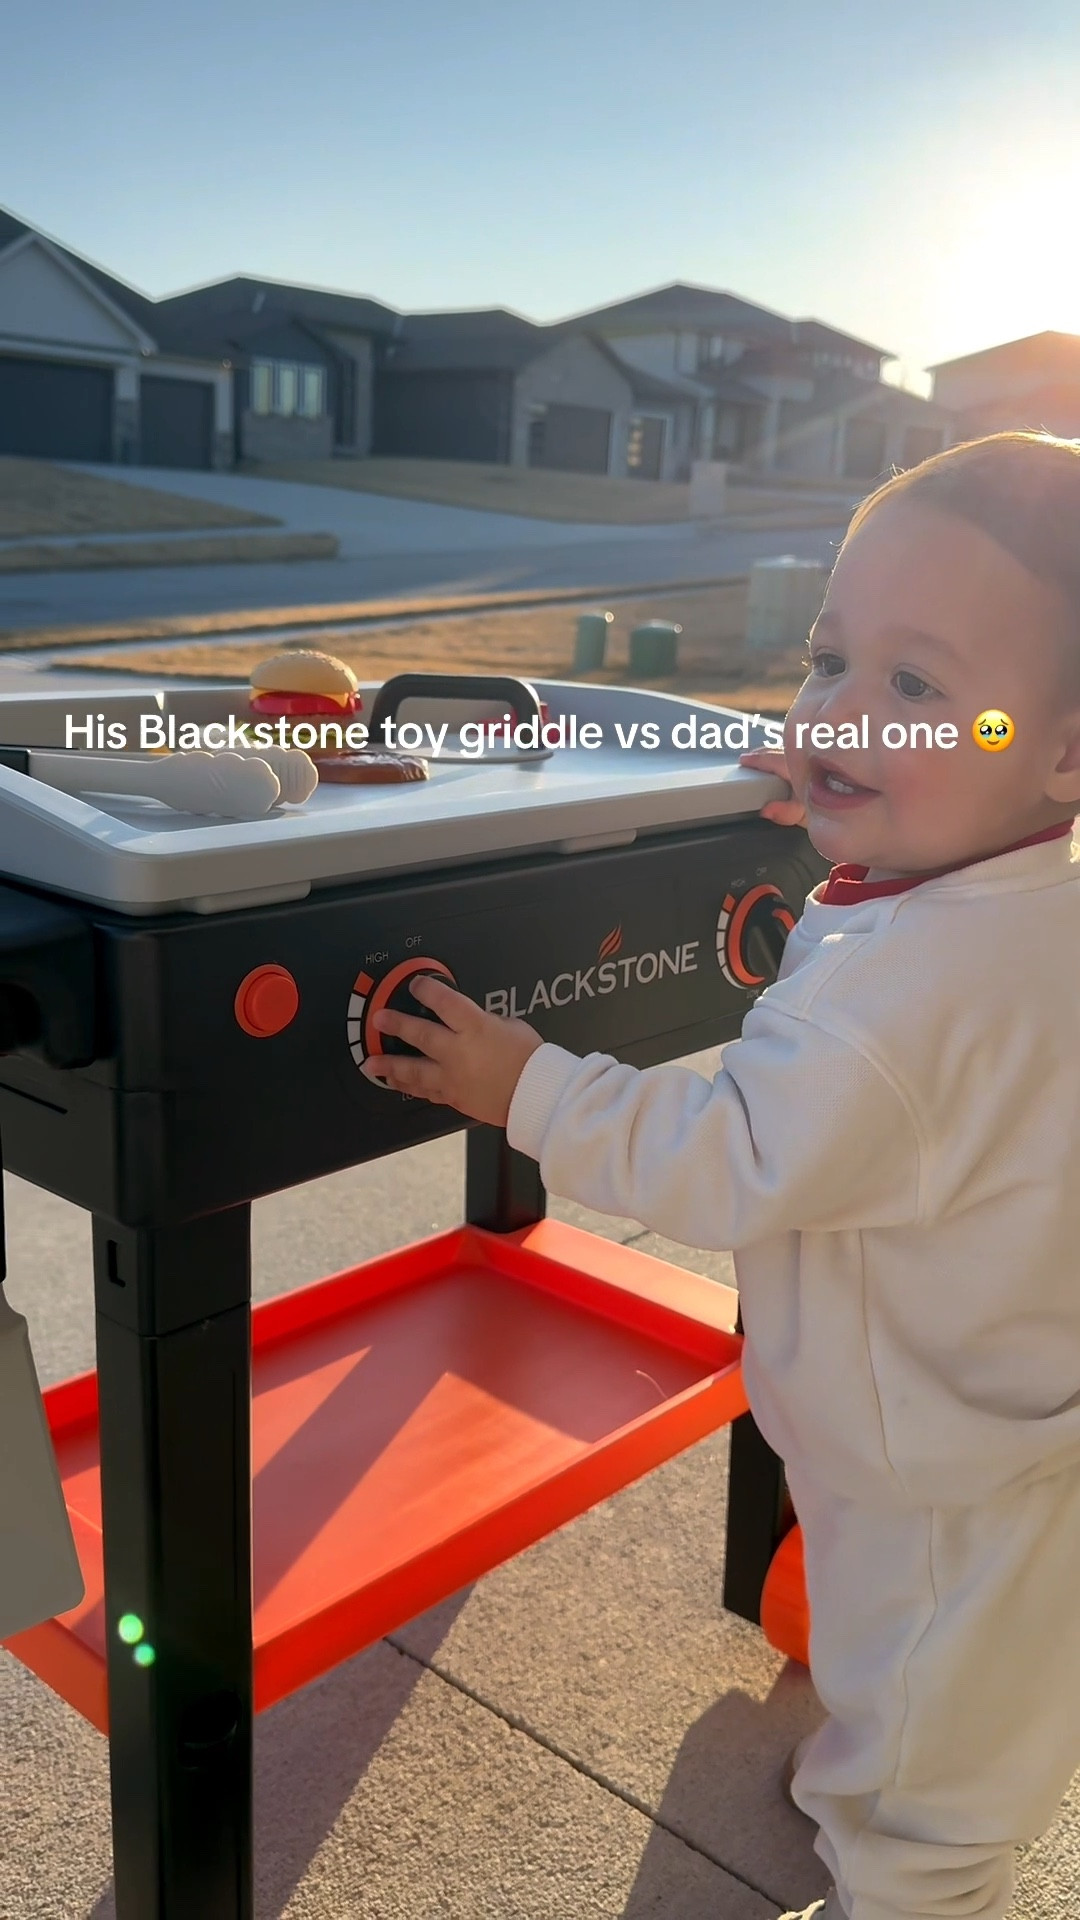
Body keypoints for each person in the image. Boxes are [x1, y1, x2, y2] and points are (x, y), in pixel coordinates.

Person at [362, 430, 1080, 1920]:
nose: (842, 713)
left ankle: (908, 1876)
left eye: (918, 688)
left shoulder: (901, 996)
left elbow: (731, 1157)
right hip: (992, 1418)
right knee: (941, 1698)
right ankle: (868, 1792)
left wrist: (527, 1084)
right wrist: (852, 798)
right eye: (832, 661)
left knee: (940, 1796)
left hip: (937, 1474)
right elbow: (916, 919)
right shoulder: (1020, 888)